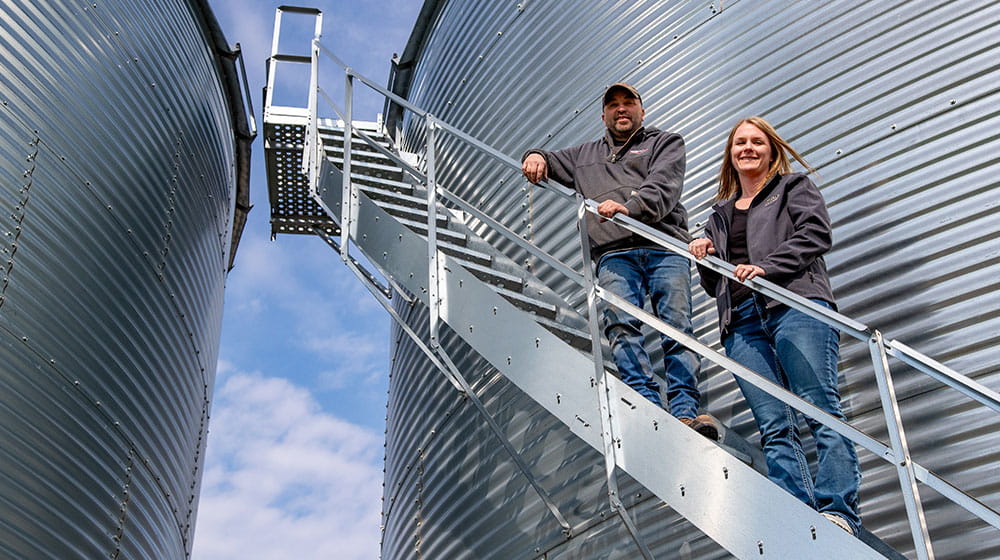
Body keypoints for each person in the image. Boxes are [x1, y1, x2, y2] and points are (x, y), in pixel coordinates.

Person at [688, 116, 862, 535]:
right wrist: (704, 256)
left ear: (772, 150)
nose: (747, 148)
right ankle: (797, 520)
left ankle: (838, 512)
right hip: (743, 324)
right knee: (774, 426)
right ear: (730, 155)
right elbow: (716, 285)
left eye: (756, 142)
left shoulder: (792, 188)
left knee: (821, 410)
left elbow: (815, 235)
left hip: (795, 306)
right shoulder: (720, 215)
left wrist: (765, 269)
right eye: (739, 143)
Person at [522, 82, 716, 440]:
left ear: (641, 111)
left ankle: (686, 413)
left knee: (676, 329)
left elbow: (664, 186)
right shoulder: (585, 156)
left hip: (664, 247)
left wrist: (630, 207)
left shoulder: (664, 142)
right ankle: (646, 403)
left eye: (629, 103)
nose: (621, 109)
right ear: (603, 115)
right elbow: (548, 159)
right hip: (613, 254)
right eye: (614, 105)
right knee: (621, 326)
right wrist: (535, 155)